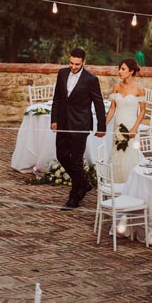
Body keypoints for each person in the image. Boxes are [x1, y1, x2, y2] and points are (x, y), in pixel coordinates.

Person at [50, 48, 106, 210]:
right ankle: (83, 183)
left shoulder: (91, 79)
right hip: (63, 122)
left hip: (80, 125)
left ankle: (74, 197)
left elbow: (99, 103)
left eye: (77, 64)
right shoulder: (61, 73)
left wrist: (101, 126)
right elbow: (57, 98)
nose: (73, 67)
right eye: (71, 63)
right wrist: (54, 119)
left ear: (83, 62)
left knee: (76, 160)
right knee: (61, 155)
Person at [105, 58, 146, 183]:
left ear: (131, 71)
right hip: (118, 125)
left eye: (123, 69)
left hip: (131, 125)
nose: (119, 71)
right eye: (119, 68)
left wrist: (134, 128)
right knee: (117, 153)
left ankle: (132, 184)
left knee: (131, 154)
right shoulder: (116, 87)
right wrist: (103, 124)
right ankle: (116, 184)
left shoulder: (139, 89)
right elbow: (112, 108)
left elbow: (143, 111)